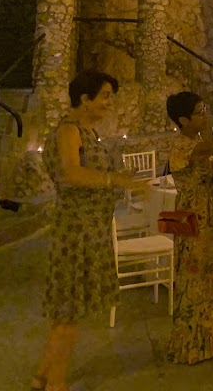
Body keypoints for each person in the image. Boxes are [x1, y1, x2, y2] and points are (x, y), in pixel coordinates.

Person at [32, 71, 142, 391]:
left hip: (89, 229)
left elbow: (90, 172)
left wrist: (121, 175)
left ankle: (41, 377)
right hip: (75, 232)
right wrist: (116, 180)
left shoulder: (86, 131)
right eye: (106, 95)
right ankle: (57, 383)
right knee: (67, 315)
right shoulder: (69, 130)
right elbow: (71, 173)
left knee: (69, 313)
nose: (110, 103)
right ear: (85, 99)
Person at [164, 92, 213, 364]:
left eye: (204, 108)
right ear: (183, 120)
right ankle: (191, 344)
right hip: (191, 219)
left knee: (210, 277)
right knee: (193, 279)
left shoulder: (195, 140)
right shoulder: (181, 145)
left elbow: (212, 148)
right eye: (198, 111)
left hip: (207, 218)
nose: (204, 114)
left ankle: (211, 339)